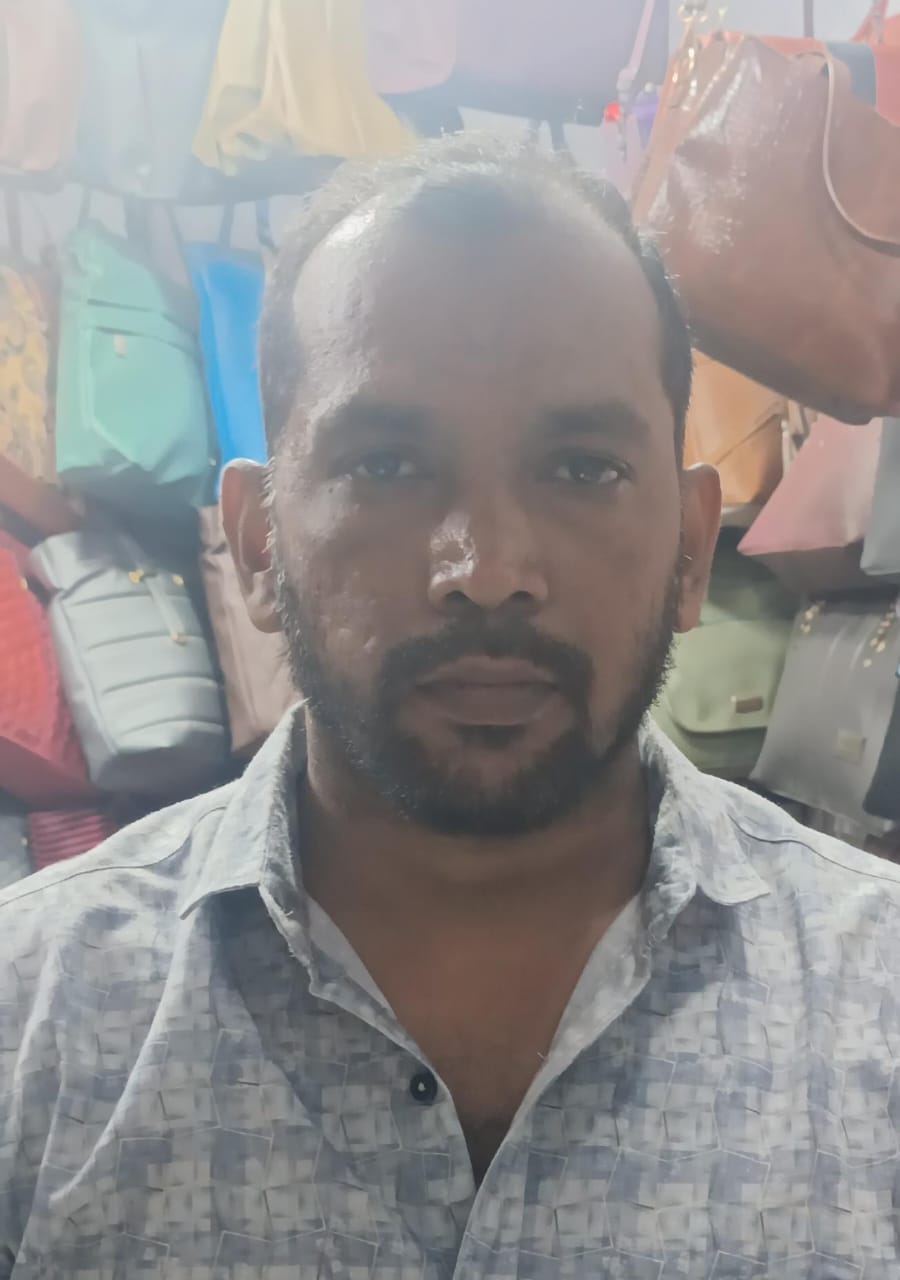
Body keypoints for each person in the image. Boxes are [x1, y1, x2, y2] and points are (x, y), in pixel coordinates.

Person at [2, 137, 899, 1279]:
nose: (488, 570)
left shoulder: (878, 996)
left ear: (688, 547)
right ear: (259, 545)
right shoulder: (33, 1019)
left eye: (582, 468)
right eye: (385, 465)